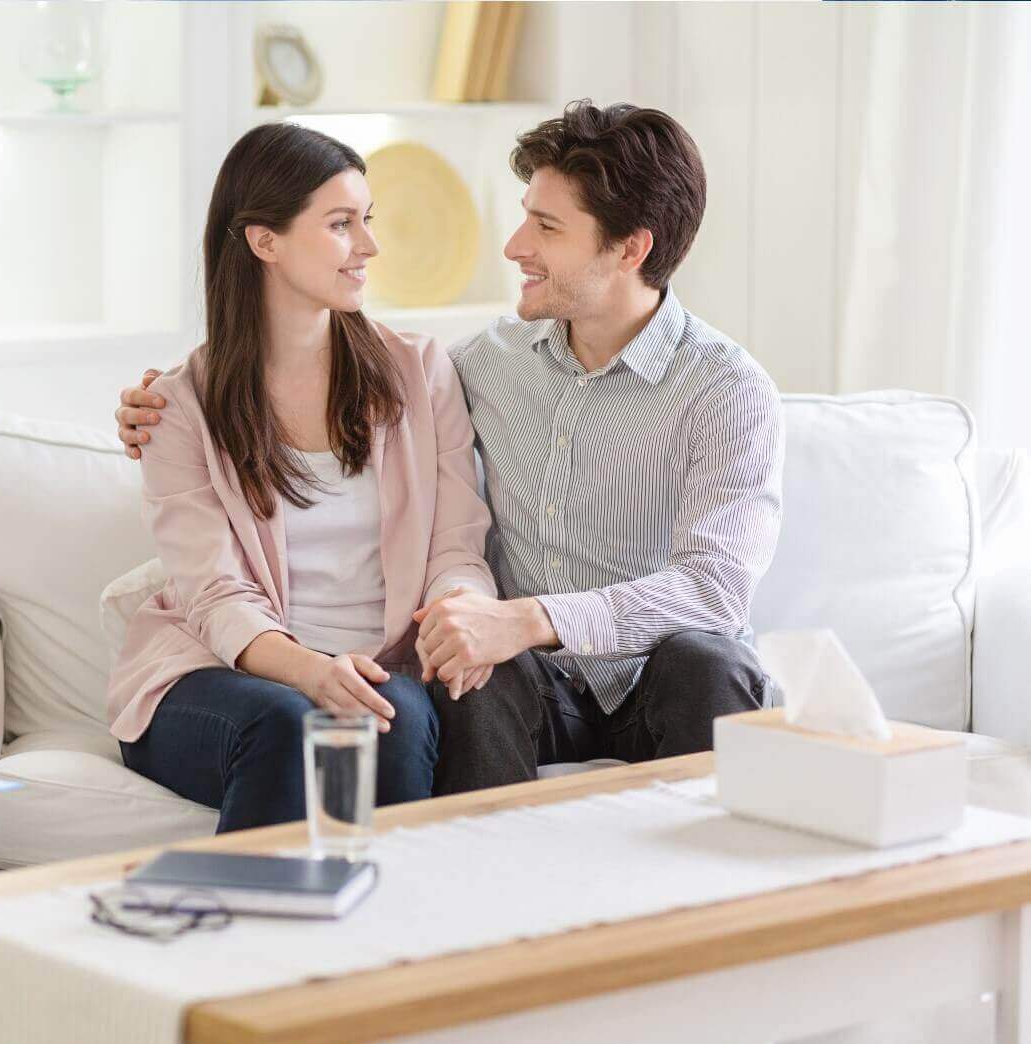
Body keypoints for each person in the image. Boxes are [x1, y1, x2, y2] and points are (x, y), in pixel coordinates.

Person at [116, 102, 783, 792]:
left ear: (629, 248)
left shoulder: (725, 390)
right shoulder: (481, 364)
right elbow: (335, 385)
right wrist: (156, 407)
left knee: (712, 664)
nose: (515, 245)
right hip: (525, 683)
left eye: (546, 227)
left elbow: (715, 589)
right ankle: (475, 882)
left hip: (653, 675)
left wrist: (526, 619)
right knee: (475, 670)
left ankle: (728, 892)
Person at [105, 123, 497, 831]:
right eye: (342, 224)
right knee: (289, 721)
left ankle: (388, 936)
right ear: (265, 241)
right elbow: (214, 592)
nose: (370, 246)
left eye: (366, 220)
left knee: (393, 716)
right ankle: (243, 936)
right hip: (218, 675)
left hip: (375, 665)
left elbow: (456, 545)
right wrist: (308, 669)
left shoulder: (420, 373)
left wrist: (459, 610)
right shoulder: (177, 406)